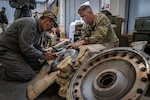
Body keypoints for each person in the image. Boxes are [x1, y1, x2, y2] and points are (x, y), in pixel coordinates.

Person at [0, 10, 58, 82]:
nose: (51, 29)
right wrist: (43, 56)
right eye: (51, 25)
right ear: (47, 21)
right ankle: (2, 70)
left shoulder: (40, 30)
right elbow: (26, 48)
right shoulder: (30, 25)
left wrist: (47, 54)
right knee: (26, 74)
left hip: (18, 51)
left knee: (37, 66)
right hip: (6, 50)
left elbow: (37, 47)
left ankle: (12, 65)